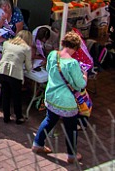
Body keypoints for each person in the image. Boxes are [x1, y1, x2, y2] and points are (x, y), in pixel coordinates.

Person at [32, 31, 88, 164]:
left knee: (49, 120)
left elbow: (49, 69)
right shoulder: (72, 63)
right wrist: (84, 76)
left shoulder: (53, 55)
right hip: (66, 101)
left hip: (51, 95)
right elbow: (80, 84)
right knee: (70, 128)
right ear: (75, 47)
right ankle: (71, 155)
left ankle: (37, 144)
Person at [0, 30, 33, 124]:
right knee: (16, 96)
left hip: (2, 70)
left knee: (5, 93)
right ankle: (18, 117)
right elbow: (28, 66)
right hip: (15, 73)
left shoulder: (7, 43)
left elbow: (4, 55)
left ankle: (6, 116)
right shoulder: (26, 48)